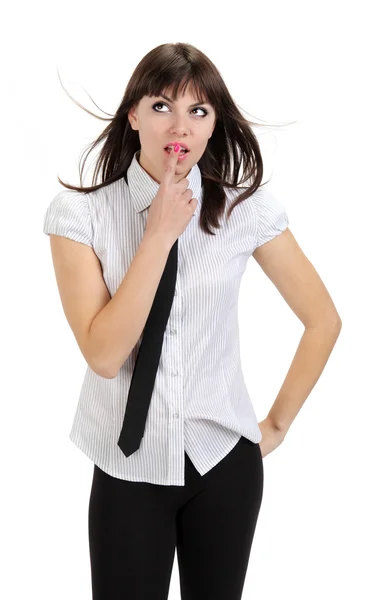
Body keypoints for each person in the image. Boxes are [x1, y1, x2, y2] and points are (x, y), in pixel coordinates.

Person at [43, 42, 342, 600]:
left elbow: (322, 320)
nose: (178, 125)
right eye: (161, 106)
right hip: (127, 465)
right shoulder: (79, 216)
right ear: (133, 114)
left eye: (198, 111)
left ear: (213, 125)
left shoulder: (245, 211)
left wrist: (272, 427)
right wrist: (157, 234)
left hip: (223, 466)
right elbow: (104, 355)